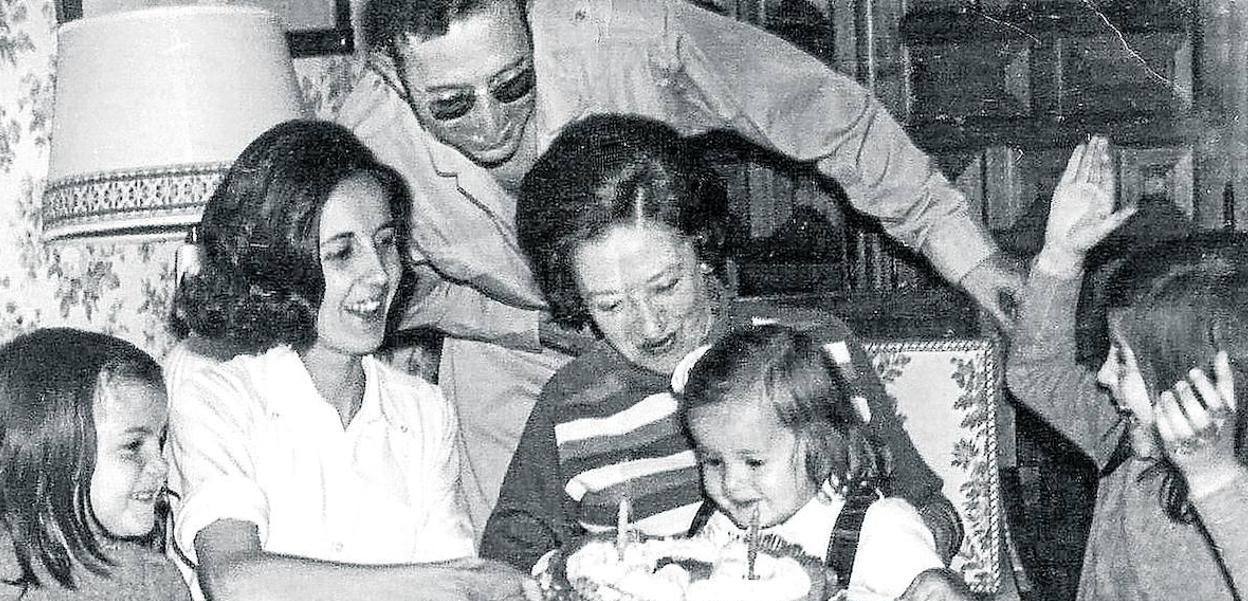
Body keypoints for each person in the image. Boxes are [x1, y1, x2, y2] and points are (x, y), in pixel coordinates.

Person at [338, 0, 1021, 533]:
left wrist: (968, 252)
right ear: (391, 78)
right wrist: (516, 325)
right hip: (509, 370)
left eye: (513, 84)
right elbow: (385, 290)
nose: (491, 124)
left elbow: (824, 114)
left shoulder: (634, 38)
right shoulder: (361, 143)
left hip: (697, 342)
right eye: (451, 105)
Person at [166, 119, 585, 601]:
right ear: (281, 264)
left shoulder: (422, 410)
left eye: (384, 243)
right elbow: (239, 584)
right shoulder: (211, 383)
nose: (379, 273)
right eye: (341, 253)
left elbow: (446, 600)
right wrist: (465, 584)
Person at [480, 114, 964, 578]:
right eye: (610, 305)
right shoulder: (571, 403)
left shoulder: (812, 348)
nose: (649, 327)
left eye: (666, 286)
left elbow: (932, 508)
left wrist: (899, 560)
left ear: (703, 247)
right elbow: (509, 558)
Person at [1007, 135, 1248, 601]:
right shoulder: (1128, 441)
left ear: (1193, 374)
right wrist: (1060, 255)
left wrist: (1214, 476)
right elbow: (1034, 373)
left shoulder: (1232, 481)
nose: (1104, 377)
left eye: (1124, 361)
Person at [0, 328, 205, 601]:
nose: (162, 466)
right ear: (53, 454)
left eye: (161, 442)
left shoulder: (156, 583)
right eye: (134, 446)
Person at [680, 323, 974, 601]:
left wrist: (943, 591)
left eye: (754, 462)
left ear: (821, 448)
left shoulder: (878, 528)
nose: (731, 483)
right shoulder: (720, 525)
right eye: (713, 461)